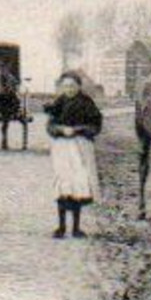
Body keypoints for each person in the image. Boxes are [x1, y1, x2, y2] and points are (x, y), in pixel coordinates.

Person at [44, 71, 103, 238]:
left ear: (79, 86)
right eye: (66, 86)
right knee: (63, 183)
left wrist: (78, 130)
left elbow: (96, 126)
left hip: (81, 147)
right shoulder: (58, 103)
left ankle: (76, 227)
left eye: (72, 86)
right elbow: (50, 126)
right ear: (62, 88)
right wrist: (60, 129)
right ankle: (61, 226)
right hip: (61, 147)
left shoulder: (87, 103)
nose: (69, 89)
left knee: (78, 183)